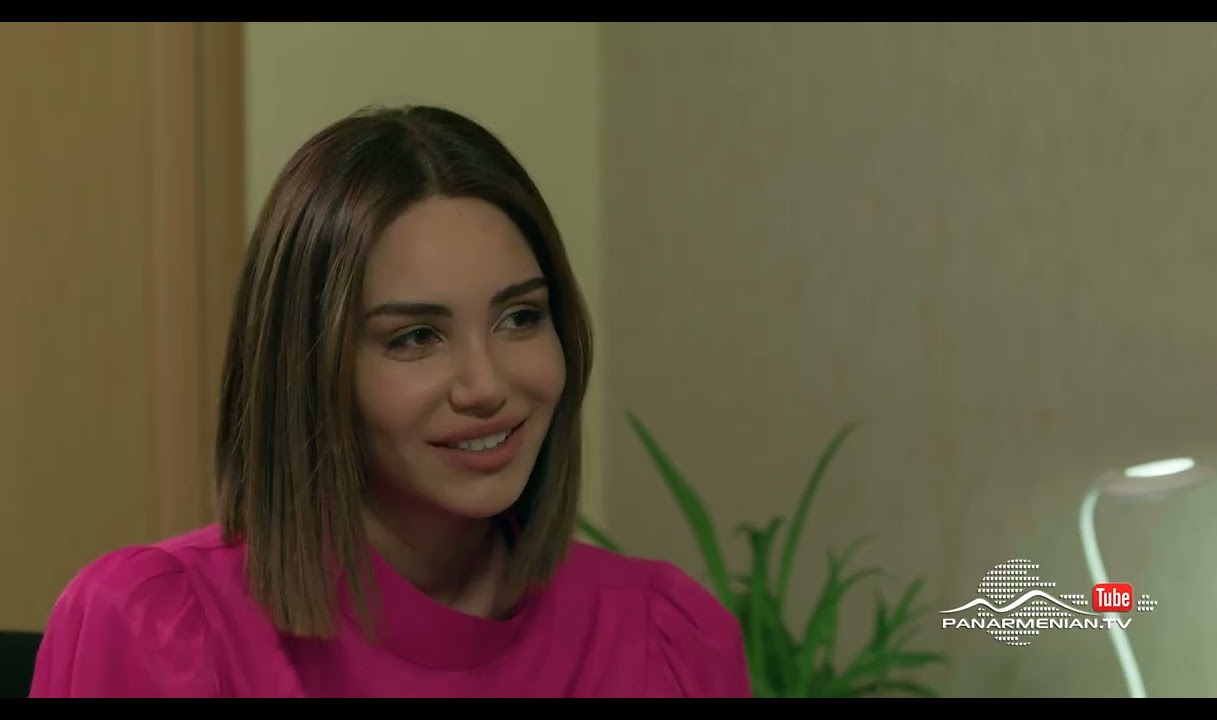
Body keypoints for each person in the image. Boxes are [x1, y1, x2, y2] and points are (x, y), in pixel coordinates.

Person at [27, 105, 753, 698]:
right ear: (310, 370)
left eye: (520, 318)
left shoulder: (665, 640)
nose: (485, 386)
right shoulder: (160, 629)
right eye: (415, 337)